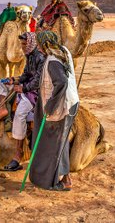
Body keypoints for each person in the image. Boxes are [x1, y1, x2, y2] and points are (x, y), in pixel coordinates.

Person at [29, 30, 79, 191]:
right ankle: (64, 177)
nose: (37, 46)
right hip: (70, 103)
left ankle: (61, 180)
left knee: (55, 144)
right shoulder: (63, 51)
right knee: (60, 142)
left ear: (43, 44)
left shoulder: (52, 61)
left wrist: (50, 106)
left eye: (38, 43)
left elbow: (62, 83)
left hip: (61, 106)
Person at [0, 32, 45, 171]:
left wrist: (23, 88)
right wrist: (14, 80)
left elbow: (38, 80)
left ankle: (18, 154)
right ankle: (2, 108)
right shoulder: (29, 56)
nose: (22, 47)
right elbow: (26, 74)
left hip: (34, 92)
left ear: (31, 43)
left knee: (20, 114)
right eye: (21, 44)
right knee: (0, 83)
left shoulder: (40, 57)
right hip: (25, 86)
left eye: (24, 44)